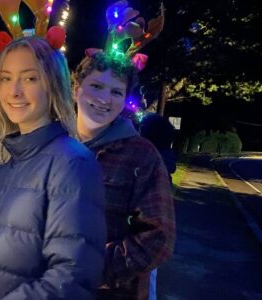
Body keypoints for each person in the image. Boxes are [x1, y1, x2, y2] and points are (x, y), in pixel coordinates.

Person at [0, 36, 107, 300]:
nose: (14, 91)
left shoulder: (72, 163)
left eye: (29, 78)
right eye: (5, 78)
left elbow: (72, 276)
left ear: (53, 86)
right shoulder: (3, 161)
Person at [72, 50, 176, 300]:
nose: (104, 99)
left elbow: (157, 239)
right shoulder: (51, 143)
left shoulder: (141, 156)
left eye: (116, 92)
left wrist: (88, 268)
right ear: (76, 89)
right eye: (96, 86)